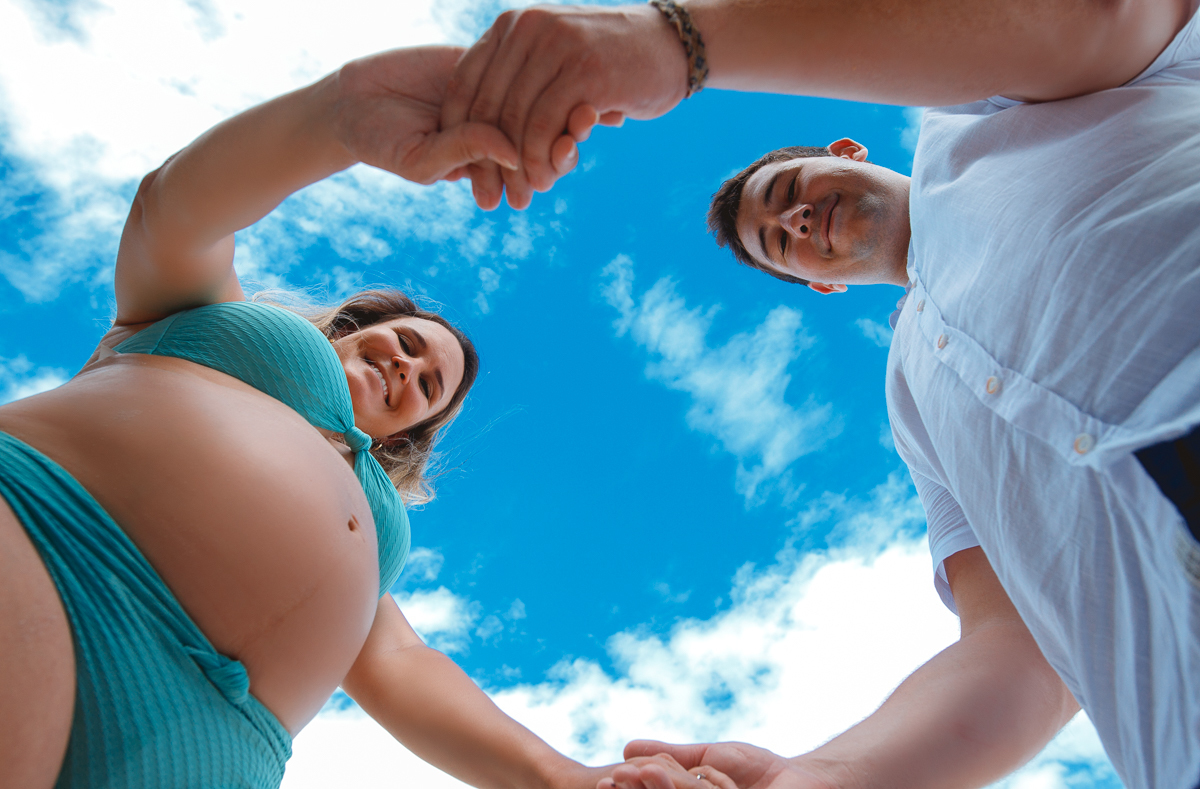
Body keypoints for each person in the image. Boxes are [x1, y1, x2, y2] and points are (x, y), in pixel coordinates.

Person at [439, 1, 1200, 788]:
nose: (796, 217)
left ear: (847, 148)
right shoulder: (913, 400)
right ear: (819, 283)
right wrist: (827, 775)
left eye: (789, 189)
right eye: (779, 238)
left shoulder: (980, 110)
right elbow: (1026, 647)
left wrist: (677, 46)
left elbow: (1108, 18)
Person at [0, 44, 612, 789]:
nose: (408, 367)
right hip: (60, 549)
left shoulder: (372, 518)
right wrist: (337, 116)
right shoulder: (207, 314)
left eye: (428, 386)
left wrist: (563, 775)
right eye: (410, 344)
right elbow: (173, 212)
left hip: (217, 751)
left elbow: (396, 662)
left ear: (405, 437)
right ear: (354, 327)